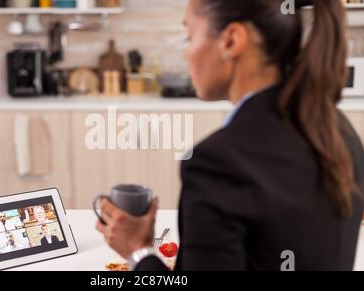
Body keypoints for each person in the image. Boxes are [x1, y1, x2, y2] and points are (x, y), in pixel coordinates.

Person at [96, 0, 364, 271]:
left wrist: (138, 250)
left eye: (190, 37)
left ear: (231, 41)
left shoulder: (219, 163)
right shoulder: (340, 132)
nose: (187, 54)